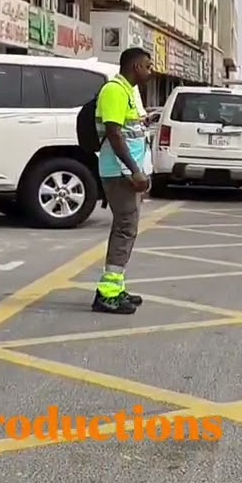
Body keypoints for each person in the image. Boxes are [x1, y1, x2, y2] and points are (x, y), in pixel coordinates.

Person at [92, 47, 154, 314]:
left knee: (126, 229)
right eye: (148, 66)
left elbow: (129, 131)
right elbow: (115, 135)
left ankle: (116, 287)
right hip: (119, 174)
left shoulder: (128, 91)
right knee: (124, 229)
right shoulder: (114, 91)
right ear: (136, 67)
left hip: (126, 173)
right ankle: (107, 293)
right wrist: (134, 171)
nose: (150, 72)